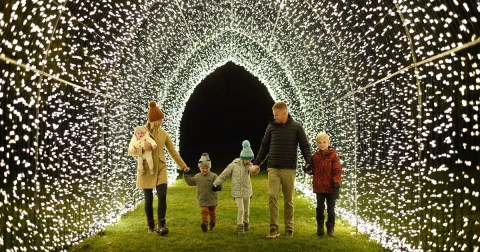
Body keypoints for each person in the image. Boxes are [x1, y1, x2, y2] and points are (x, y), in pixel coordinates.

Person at [251, 101, 312, 238]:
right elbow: (264, 147)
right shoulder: (271, 127)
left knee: (288, 199)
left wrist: (309, 162)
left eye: (277, 115)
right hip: (273, 168)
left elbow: (305, 146)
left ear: (285, 113)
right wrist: (257, 163)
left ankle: (289, 228)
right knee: (272, 196)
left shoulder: (297, 127)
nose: (274, 117)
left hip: (289, 169)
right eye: (273, 115)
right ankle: (274, 228)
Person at [128, 101, 189, 235]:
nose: (161, 121)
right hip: (146, 168)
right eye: (159, 119)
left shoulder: (163, 134)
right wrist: (142, 149)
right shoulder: (140, 132)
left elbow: (173, 152)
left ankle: (161, 226)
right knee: (148, 198)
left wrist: (183, 166)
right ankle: (151, 224)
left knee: (162, 195)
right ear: (152, 119)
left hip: (161, 167)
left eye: (161, 119)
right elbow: (130, 150)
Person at [213, 140, 259, 236]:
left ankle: (246, 222)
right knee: (241, 209)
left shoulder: (249, 165)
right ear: (242, 157)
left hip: (247, 191)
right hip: (237, 191)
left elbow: (252, 170)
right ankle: (240, 226)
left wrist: (255, 169)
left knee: (246, 210)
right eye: (247, 159)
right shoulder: (233, 165)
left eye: (250, 159)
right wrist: (216, 183)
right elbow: (224, 175)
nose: (249, 161)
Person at [305, 132, 342, 237]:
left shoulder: (334, 156)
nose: (322, 144)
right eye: (320, 143)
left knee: (331, 209)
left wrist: (336, 184)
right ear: (317, 144)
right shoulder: (315, 156)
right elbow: (312, 170)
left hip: (330, 187)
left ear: (328, 142)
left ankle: (330, 227)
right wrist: (308, 169)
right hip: (319, 187)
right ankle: (320, 225)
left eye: (324, 142)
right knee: (320, 208)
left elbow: (337, 171)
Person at [184, 153, 219, 232]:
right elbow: (190, 182)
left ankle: (212, 224)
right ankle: (204, 223)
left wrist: (218, 186)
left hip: (212, 198)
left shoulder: (213, 176)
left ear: (209, 167)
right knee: (204, 211)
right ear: (200, 168)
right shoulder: (197, 176)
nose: (205, 169)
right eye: (203, 168)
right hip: (202, 198)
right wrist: (186, 176)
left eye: (206, 168)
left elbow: (219, 182)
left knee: (212, 212)